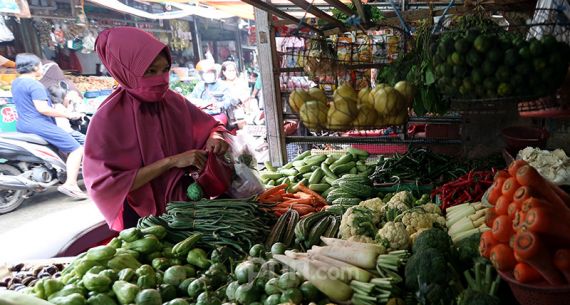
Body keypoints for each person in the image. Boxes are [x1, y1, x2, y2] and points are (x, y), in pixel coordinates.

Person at [83, 27, 229, 231]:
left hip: (187, 205)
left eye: (165, 70)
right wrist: (172, 161)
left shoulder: (173, 101)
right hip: (141, 219)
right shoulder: (107, 120)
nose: (161, 79)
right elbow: (107, 184)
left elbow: (212, 125)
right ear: (125, 70)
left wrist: (215, 136)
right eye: (150, 71)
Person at [11, 53, 87, 199]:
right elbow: (43, 109)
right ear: (34, 67)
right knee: (77, 149)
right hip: (38, 124)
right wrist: (69, 115)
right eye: (40, 65)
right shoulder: (34, 84)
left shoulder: (17, 83)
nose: (42, 68)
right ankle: (70, 184)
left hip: (23, 124)